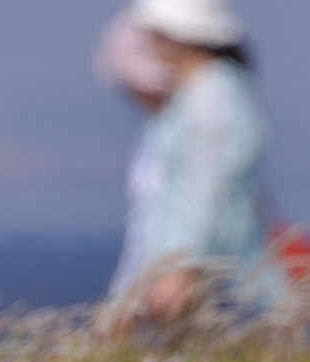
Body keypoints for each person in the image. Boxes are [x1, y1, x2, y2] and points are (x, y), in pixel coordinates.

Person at [94, 0, 287, 333]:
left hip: (208, 271)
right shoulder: (201, 94)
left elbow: (204, 188)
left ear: (179, 37)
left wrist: (180, 267)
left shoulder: (211, 96)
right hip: (206, 266)